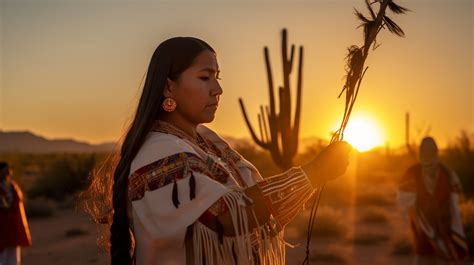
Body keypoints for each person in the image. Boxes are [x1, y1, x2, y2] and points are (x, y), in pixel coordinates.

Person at [85, 37, 351, 265]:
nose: (218, 89)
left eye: (217, 77)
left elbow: (256, 219)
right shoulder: (159, 151)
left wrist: (312, 177)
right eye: (204, 77)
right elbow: (228, 216)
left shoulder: (205, 143)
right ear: (168, 87)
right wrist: (312, 173)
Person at [398, 137, 469, 265]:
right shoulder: (412, 173)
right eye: (425, 150)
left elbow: (455, 206)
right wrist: (421, 227)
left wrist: (454, 229)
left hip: (445, 232)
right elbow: (408, 205)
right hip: (423, 233)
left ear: (436, 151)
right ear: (420, 152)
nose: (428, 153)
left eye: (431, 150)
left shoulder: (448, 174)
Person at [0, 162, 32, 265]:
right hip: (2, 226)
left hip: (13, 225)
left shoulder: (12, 186)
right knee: (2, 257)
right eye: (4, 171)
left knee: (13, 257)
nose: (6, 173)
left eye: (7, 171)